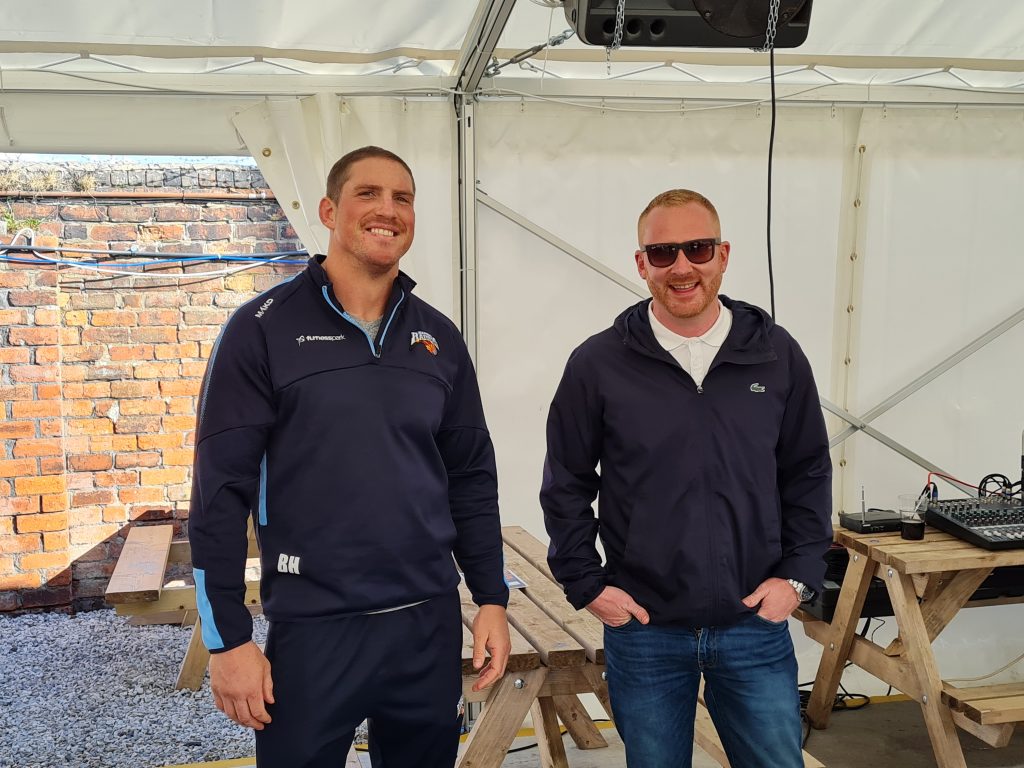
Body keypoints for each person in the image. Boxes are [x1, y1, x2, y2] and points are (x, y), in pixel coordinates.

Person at [189, 145, 511, 768]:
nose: (388, 210)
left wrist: (491, 598)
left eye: (403, 198)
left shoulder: (439, 338)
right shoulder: (261, 328)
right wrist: (228, 640)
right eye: (368, 193)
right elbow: (218, 495)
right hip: (315, 628)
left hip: (426, 624)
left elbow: (471, 477)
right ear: (329, 211)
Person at [540, 188, 832, 768]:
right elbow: (566, 480)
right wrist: (587, 585)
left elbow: (807, 471)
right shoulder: (598, 364)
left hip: (753, 624)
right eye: (663, 252)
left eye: (697, 249)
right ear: (641, 264)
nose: (681, 267)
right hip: (646, 630)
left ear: (723, 255)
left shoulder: (776, 355)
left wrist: (797, 579)